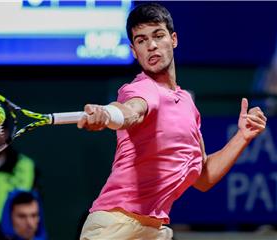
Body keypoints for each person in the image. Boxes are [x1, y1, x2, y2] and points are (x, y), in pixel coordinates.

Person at [77, 2, 267, 240]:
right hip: (114, 226)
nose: (151, 46)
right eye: (141, 40)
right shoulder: (141, 89)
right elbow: (130, 110)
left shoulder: (188, 104)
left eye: (158, 35)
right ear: (134, 52)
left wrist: (243, 136)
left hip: (152, 230)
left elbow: (204, 177)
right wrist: (108, 115)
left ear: (173, 39)